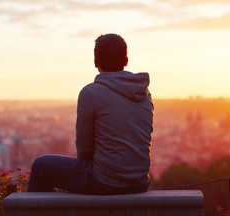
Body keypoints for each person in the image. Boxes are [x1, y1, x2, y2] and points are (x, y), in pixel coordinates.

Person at [27, 33, 154, 195]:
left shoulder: (91, 93)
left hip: (107, 182)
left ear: (95, 62)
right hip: (141, 182)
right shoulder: (144, 92)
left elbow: (85, 148)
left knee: (41, 166)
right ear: (126, 61)